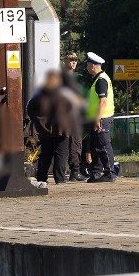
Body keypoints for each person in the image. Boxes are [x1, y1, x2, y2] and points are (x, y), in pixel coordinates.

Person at [27, 68, 73, 185]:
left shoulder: (40, 95)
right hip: (62, 128)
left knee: (46, 154)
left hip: (44, 129)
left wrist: (36, 120)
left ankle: (42, 177)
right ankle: (60, 179)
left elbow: (30, 107)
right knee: (60, 154)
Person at [84, 51, 116, 183]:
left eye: (87, 64)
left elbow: (102, 101)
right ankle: (96, 172)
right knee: (96, 146)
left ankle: (110, 173)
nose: (86, 67)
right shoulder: (98, 78)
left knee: (103, 145)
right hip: (97, 117)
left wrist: (97, 119)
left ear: (92, 65)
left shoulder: (101, 80)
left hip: (102, 118)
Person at [61, 52, 86, 181]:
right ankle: (62, 172)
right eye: (71, 60)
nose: (74, 62)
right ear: (64, 61)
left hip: (76, 115)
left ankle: (74, 171)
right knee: (63, 143)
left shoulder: (79, 78)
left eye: (75, 60)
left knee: (76, 143)